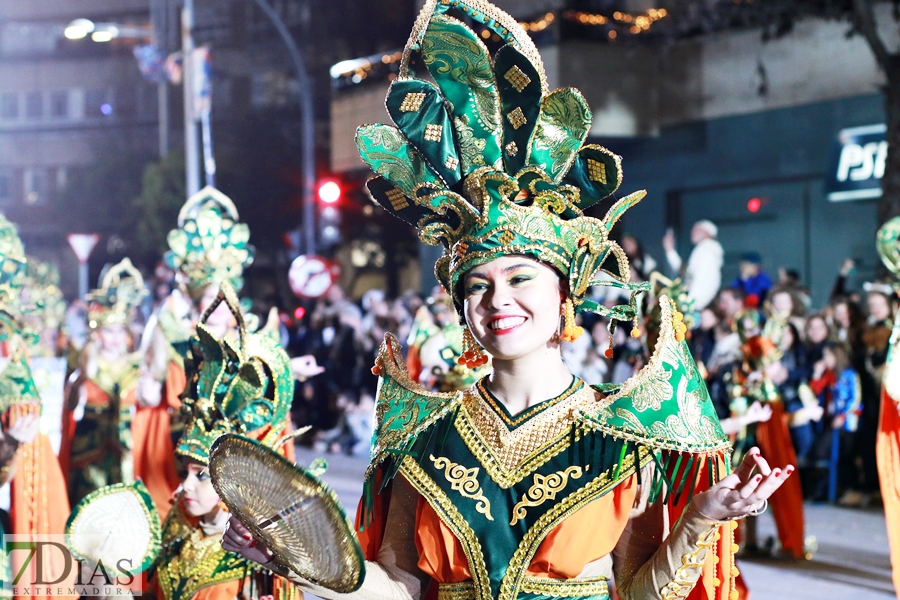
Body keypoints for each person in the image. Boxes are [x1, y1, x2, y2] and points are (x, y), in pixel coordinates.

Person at [222, 4, 791, 599]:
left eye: (521, 278)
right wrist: (307, 562)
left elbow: (638, 592)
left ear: (565, 291)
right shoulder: (422, 435)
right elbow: (400, 588)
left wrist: (702, 516)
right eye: (477, 284)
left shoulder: (626, 435)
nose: (498, 299)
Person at [134, 186, 255, 518]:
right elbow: (150, 386)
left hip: (230, 448)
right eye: (210, 302)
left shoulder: (250, 342)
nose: (218, 310)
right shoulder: (172, 332)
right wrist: (147, 386)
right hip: (178, 445)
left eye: (224, 302)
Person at [64, 258, 147, 506]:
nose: (114, 338)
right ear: (98, 333)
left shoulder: (136, 366)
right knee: (89, 502)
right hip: (89, 444)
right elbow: (70, 405)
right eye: (109, 332)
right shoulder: (86, 362)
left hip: (125, 443)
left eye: (120, 331)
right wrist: (80, 379)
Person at [662, 220, 723, 310]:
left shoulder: (706, 248)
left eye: (697, 230)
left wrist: (670, 250)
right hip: (698, 303)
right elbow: (688, 273)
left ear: (708, 233)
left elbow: (687, 273)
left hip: (695, 303)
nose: (692, 232)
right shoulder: (708, 250)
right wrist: (670, 250)